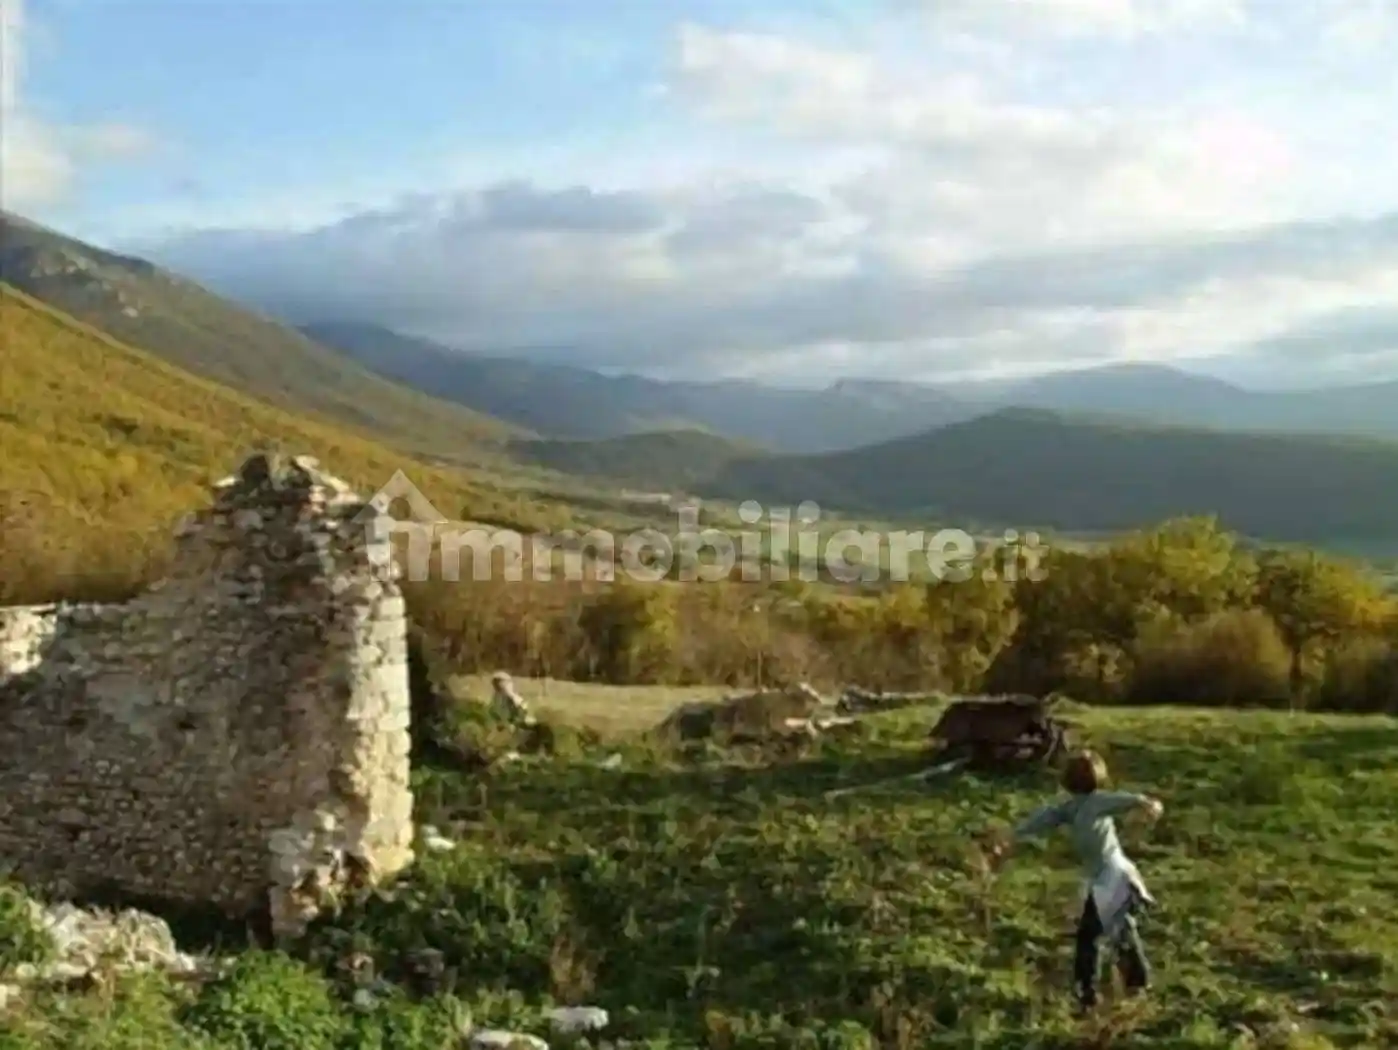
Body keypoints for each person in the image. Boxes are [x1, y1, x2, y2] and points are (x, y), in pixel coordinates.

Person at [984, 748, 1163, 1012]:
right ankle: (1133, 983)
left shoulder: (1097, 802)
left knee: (1090, 935)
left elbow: (1125, 800)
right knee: (1119, 929)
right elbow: (1045, 818)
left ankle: (1087, 993)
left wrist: (1147, 804)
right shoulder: (1072, 807)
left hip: (1113, 876)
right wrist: (1012, 835)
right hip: (1105, 877)